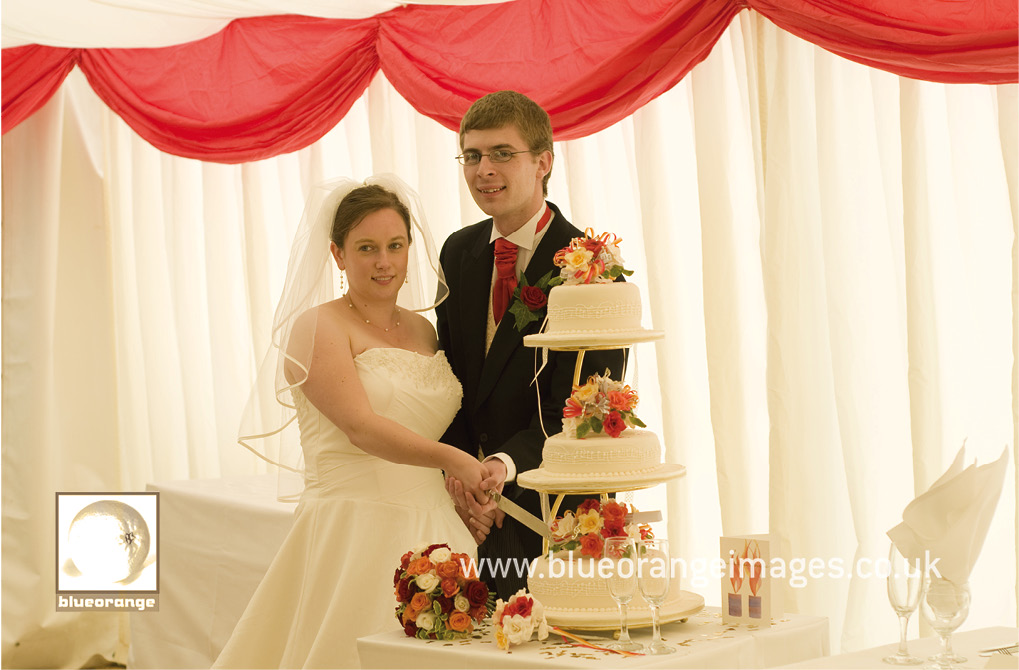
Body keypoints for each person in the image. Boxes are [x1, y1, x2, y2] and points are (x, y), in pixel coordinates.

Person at [215, 176, 496, 669]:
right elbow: (361, 427)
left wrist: (459, 479)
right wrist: (454, 460)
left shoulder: (425, 329)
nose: (384, 261)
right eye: (366, 248)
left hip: (437, 528)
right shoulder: (318, 326)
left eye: (395, 246)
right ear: (338, 255)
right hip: (353, 527)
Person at [436, 91, 624, 598]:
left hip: (553, 515)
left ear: (544, 161)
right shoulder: (457, 252)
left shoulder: (589, 265)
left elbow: (583, 405)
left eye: (501, 153)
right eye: (471, 156)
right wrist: (462, 477)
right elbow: (447, 377)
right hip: (467, 512)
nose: (483, 170)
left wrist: (500, 469)